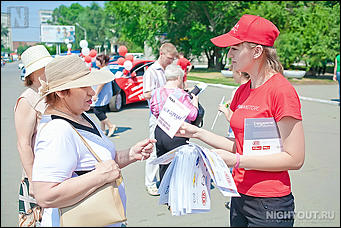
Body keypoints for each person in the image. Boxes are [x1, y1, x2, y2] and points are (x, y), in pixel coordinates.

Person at [176, 14, 305, 227]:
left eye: (235, 48)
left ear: (256, 51)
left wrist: (236, 161)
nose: (229, 54)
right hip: (239, 195)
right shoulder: (242, 91)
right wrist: (196, 133)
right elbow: (241, 147)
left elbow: (295, 158)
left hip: (270, 203)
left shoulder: (281, 91)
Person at [31, 54, 156, 227]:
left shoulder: (81, 116)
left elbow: (100, 162)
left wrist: (131, 154)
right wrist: (99, 177)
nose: (91, 91)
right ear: (61, 92)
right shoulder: (57, 130)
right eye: (83, 86)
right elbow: (45, 194)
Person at [14, 45, 53, 227]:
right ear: (32, 73)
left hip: (56, 173)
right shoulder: (27, 99)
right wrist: (33, 182)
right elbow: (23, 144)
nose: (48, 70)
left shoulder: (50, 94)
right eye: (44, 67)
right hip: (38, 176)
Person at [150, 64, 198, 182]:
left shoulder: (156, 92)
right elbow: (192, 115)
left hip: (160, 129)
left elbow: (154, 110)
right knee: (179, 166)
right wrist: (195, 102)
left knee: (163, 164)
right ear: (178, 78)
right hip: (177, 131)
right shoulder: (181, 95)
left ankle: (164, 192)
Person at [142, 42, 178, 196]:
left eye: (173, 59)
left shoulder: (169, 70)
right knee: (154, 149)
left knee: (168, 148)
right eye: (169, 58)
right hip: (157, 116)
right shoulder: (151, 71)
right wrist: (164, 91)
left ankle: (165, 178)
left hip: (171, 115)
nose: (171, 61)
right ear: (161, 54)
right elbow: (146, 94)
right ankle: (150, 182)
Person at [218, 65, 250, 138]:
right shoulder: (252, 88)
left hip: (236, 133)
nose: (232, 75)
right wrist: (229, 102)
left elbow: (232, 119)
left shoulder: (237, 92)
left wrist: (224, 110)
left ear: (239, 73)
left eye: (233, 72)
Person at [92, 54, 117, 136]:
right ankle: (103, 130)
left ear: (102, 62)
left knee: (97, 111)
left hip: (103, 95)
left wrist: (95, 94)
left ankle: (110, 126)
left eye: (97, 60)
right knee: (102, 111)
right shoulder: (104, 70)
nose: (96, 62)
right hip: (105, 94)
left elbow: (101, 84)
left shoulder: (104, 71)